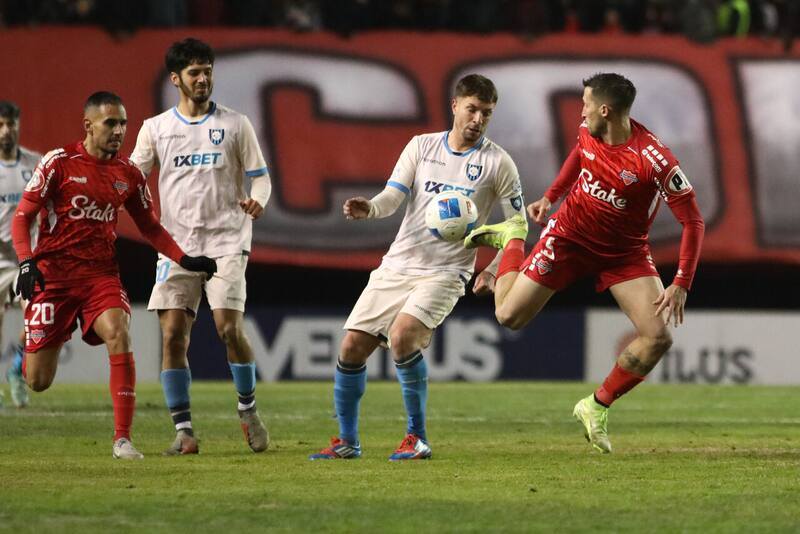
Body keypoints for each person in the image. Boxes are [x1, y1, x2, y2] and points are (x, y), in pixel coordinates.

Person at [465, 72, 705, 453]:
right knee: (508, 317)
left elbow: (692, 221)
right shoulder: (588, 130)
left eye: (587, 104)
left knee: (658, 337)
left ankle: (596, 406)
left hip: (624, 253)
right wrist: (551, 195)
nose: (582, 111)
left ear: (605, 110)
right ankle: (511, 239)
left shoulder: (654, 160)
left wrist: (681, 282)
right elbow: (580, 154)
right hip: (568, 239)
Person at [309, 74, 527, 460]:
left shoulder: (498, 163)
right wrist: (371, 208)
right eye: (472, 109)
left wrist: (494, 268)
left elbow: (518, 226)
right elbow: (393, 197)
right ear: (455, 105)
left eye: (487, 113)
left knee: (402, 336)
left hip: (447, 272)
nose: (478, 119)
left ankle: (417, 438)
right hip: (399, 264)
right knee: (351, 348)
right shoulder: (421, 147)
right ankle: (346, 441)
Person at [10, 91, 217, 459]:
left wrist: (186, 258)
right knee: (38, 381)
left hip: (99, 277)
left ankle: (122, 439)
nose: (119, 130)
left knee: (119, 331)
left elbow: (150, 228)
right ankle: (27, 351)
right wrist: (26, 262)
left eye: (123, 123)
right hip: (53, 279)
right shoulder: (58, 163)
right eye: (111, 123)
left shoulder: (129, 175)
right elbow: (22, 216)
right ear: (88, 125)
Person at [130, 38, 272, 455]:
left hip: (227, 240)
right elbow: (131, 181)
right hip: (176, 247)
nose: (203, 78)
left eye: (207, 69)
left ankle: (247, 410)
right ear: (176, 79)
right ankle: (184, 432)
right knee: (173, 335)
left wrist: (257, 200)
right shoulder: (155, 129)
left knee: (229, 328)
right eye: (194, 71)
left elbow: (260, 177)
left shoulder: (235, 124)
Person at [0, 101, 40, 408]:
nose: (6, 131)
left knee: (37, 320)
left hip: (28, 261)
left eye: (11, 124)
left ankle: (16, 371)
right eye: (1, 125)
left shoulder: (34, 163)